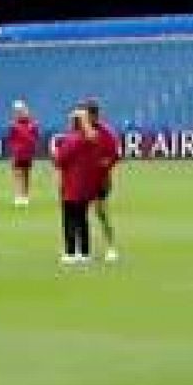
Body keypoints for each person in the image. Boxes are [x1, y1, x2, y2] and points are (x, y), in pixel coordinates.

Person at [54, 107, 100, 265]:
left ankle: (70, 252)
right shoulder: (92, 138)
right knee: (82, 218)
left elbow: (60, 161)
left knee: (69, 218)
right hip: (86, 184)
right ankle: (85, 252)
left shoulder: (71, 139)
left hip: (71, 184)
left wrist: (55, 150)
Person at [83, 99, 120, 261]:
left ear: (93, 114)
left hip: (100, 180)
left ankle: (111, 246)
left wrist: (104, 164)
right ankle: (82, 248)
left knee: (101, 213)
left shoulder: (106, 133)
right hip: (81, 179)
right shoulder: (81, 131)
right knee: (79, 214)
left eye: (87, 114)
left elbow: (115, 156)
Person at [7, 100, 39, 207]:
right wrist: (13, 152)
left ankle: (25, 196)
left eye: (22, 111)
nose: (20, 113)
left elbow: (35, 138)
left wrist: (32, 150)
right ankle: (18, 196)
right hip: (17, 154)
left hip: (28, 154)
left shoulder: (33, 124)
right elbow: (11, 140)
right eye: (18, 111)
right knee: (17, 174)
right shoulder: (13, 126)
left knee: (26, 175)